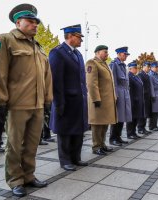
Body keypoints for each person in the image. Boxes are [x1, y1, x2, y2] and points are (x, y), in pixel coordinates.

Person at [0, 4, 53, 197]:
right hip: (16, 105)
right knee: (14, 145)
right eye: (30, 21)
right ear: (18, 22)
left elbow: (47, 76)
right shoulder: (5, 41)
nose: (35, 25)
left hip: (37, 105)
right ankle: (15, 180)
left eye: (36, 22)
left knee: (32, 144)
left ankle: (29, 176)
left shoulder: (38, 48)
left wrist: (47, 100)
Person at [49, 24, 89, 171]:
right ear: (70, 36)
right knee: (65, 132)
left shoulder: (77, 54)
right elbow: (56, 80)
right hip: (65, 100)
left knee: (78, 131)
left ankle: (76, 157)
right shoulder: (57, 53)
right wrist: (59, 103)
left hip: (78, 101)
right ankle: (65, 160)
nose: (81, 41)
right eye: (79, 37)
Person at [86, 45, 116, 155]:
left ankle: (102, 144)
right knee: (97, 125)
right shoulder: (92, 63)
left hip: (107, 101)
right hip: (98, 100)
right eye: (105, 52)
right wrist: (96, 99)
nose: (107, 54)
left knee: (104, 123)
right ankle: (96, 146)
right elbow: (91, 83)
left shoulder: (105, 65)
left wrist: (114, 97)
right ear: (98, 52)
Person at [109, 47, 132, 146]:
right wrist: (115, 95)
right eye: (124, 54)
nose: (126, 56)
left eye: (126, 54)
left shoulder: (123, 65)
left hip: (125, 93)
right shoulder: (114, 64)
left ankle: (118, 137)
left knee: (123, 116)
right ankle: (113, 138)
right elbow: (113, 81)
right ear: (118, 54)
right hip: (118, 92)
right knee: (117, 116)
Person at [126, 61, 144, 139]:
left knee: (136, 117)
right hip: (133, 100)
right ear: (130, 69)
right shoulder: (129, 76)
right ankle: (130, 133)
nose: (137, 69)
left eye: (136, 68)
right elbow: (130, 90)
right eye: (135, 68)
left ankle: (134, 132)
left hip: (138, 100)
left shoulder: (136, 76)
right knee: (132, 118)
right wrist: (131, 101)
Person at [137, 62, 152, 135]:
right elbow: (140, 87)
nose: (149, 68)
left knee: (145, 113)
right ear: (144, 66)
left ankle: (143, 127)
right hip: (142, 97)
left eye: (149, 67)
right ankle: (140, 128)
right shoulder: (140, 75)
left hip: (147, 97)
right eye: (148, 67)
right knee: (142, 113)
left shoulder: (147, 75)